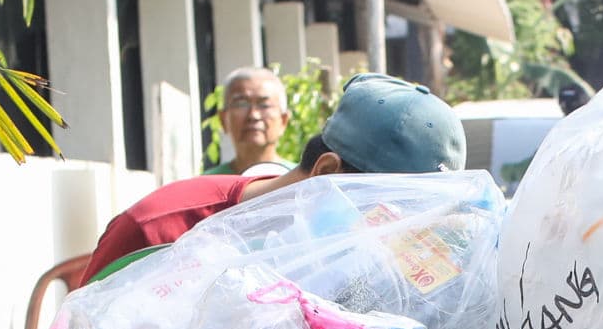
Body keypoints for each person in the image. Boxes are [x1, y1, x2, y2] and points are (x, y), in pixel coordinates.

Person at [53, 72, 464, 307]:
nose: (392, 239)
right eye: (385, 216)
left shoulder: (360, 274)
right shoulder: (159, 228)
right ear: (325, 174)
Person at [205, 67, 292, 176]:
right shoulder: (207, 183)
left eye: (264, 105)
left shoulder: (304, 180)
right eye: (241, 104)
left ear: (283, 120)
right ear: (223, 119)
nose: (253, 115)